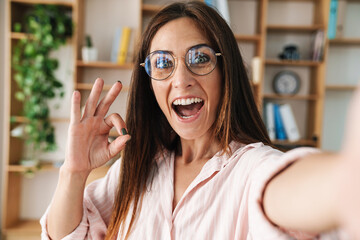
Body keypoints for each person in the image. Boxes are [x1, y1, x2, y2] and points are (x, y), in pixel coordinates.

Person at [41, 1, 360, 240]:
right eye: (163, 63)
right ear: (149, 82)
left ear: (227, 73)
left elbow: (283, 189)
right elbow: (67, 235)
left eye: (200, 58)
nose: (181, 80)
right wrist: (74, 171)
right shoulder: (136, 167)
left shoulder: (251, 169)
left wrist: (344, 183)